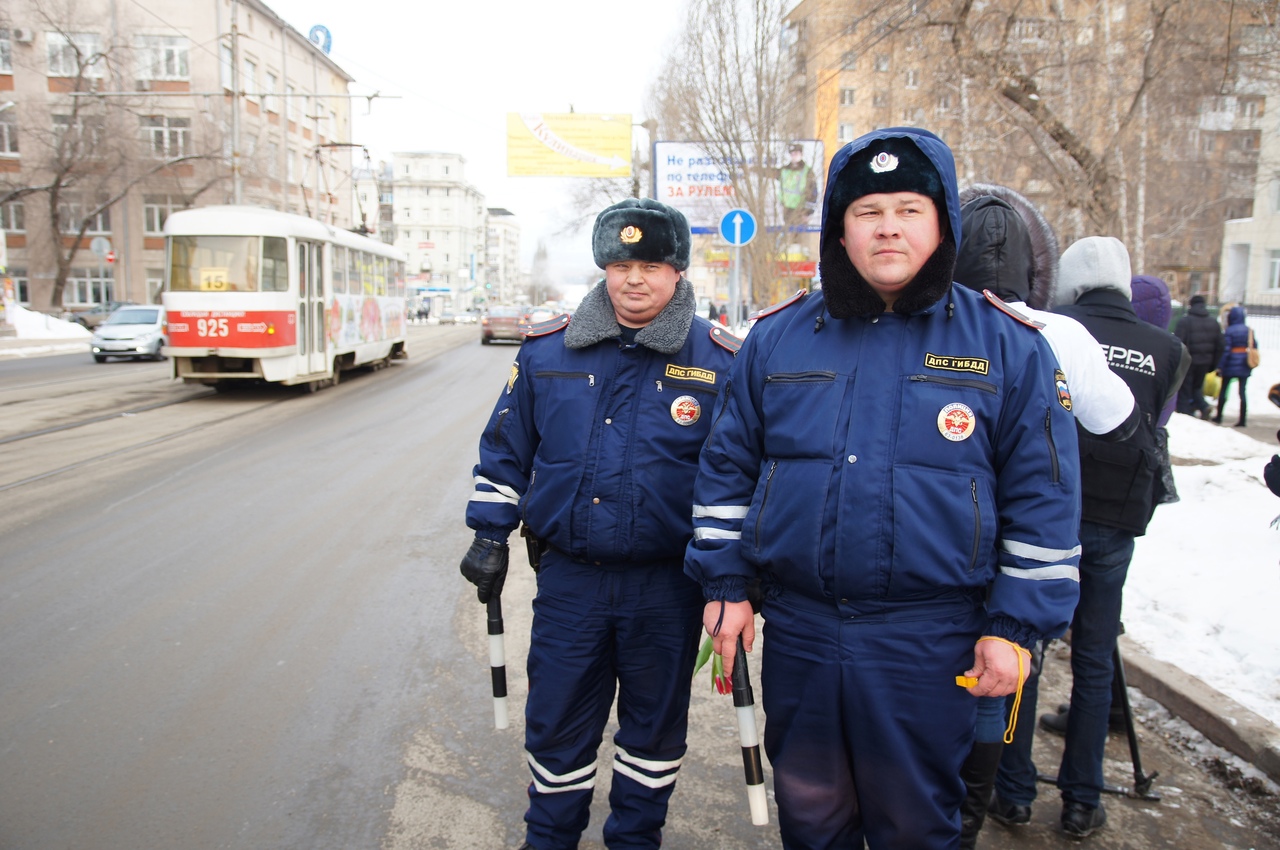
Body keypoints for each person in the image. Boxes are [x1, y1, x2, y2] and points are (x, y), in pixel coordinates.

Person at [684, 127, 1083, 849]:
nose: (889, 227)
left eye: (908, 208)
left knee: (915, 826)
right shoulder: (778, 339)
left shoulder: (1007, 347)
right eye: (869, 211)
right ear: (841, 227)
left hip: (930, 643)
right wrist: (726, 585)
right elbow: (726, 471)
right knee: (811, 820)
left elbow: (1044, 499)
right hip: (803, 634)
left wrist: (1015, 627)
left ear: (942, 225)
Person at [460, 198, 741, 850]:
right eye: (619, 263)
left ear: (677, 271)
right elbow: (505, 452)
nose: (632, 279)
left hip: (668, 589)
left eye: (649, 264)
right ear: (603, 268)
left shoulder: (721, 361)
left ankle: (635, 841)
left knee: (652, 736)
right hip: (571, 585)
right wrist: (488, 532)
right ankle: (549, 839)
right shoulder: (546, 351)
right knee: (556, 729)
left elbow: (737, 480)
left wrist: (737, 576)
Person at [950, 185, 1138, 849]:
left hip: (962, 541)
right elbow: (1118, 422)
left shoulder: (951, 329)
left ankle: (1008, 792)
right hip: (1042, 536)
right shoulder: (1062, 334)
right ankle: (1013, 800)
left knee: (980, 672)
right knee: (1022, 663)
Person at [992, 237, 1188, 840]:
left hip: (1049, 516)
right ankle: (1082, 797)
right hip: (1115, 524)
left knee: (1024, 650)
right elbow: (1152, 429)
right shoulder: (1169, 349)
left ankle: (1015, 790)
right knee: (1095, 660)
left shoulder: (1050, 328)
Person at [1173, 294, 1224, 419]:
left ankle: (1185, 416)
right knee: (1196, 387)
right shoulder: (1213, 322)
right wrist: (1213, 364)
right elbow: (1220, 345)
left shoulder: (1185, 321)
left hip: (1188, 362)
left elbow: (1178, 342)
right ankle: (1203, 406)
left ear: (1191, 305)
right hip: (1205, 362)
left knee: (1185, 389)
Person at [1214, 305, 1257, 427]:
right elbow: (1255, 346)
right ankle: (1243, 419)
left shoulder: (1230, 330)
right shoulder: (1249, 330)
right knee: (1242, 392)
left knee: (1224, 390)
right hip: (1245, 364)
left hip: (1230, 364)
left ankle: (1219, 416)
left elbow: (1226, 350)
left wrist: (1220, 366)